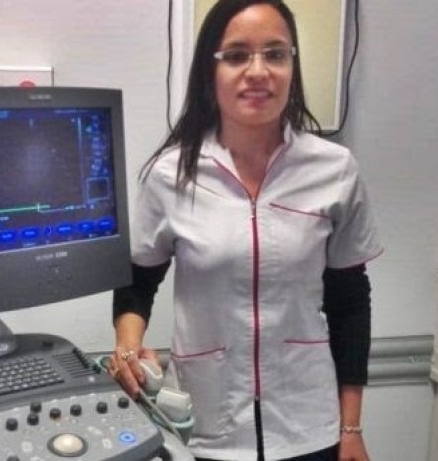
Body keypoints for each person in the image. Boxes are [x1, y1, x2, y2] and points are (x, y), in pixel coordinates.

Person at [109, 1, 383, 460]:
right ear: (210, 70)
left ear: (292, 66)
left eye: (275, 54)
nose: (258, 72)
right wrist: (129, 348)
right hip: (204, 424)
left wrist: (350, 427)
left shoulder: (334, 170)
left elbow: (350, 303)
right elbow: (137, 281)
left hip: (308, 428)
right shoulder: (171, 175)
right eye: (237, 55)